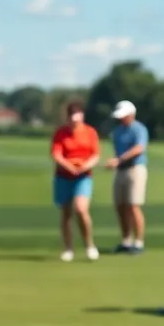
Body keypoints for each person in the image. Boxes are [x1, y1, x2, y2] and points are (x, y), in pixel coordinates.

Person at [51, 101, 101, 262]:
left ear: (82, 116)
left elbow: (95, 155)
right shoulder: (61, 133)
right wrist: (69, 166)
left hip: (83, 176)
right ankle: (68, 248)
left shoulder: (90, 132)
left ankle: (89, 245)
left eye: (77, 117)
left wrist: (85, 166)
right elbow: (56, 154)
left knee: (81, 209)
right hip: (63, 176)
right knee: (66, 213)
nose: (74, 121)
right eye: (72, 117)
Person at [105, 99, 149, 254]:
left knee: (133, 205)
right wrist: (114, 162)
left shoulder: (138, 129)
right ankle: (126, 241)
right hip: (121, 170)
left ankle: (139, 242)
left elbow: (139, 148)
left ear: (132, 114)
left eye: (124, 115)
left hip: (135, 169)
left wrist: (119, 160)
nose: (122, 118)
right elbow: (118, 152)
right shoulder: (117, 131)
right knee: (120, 206)